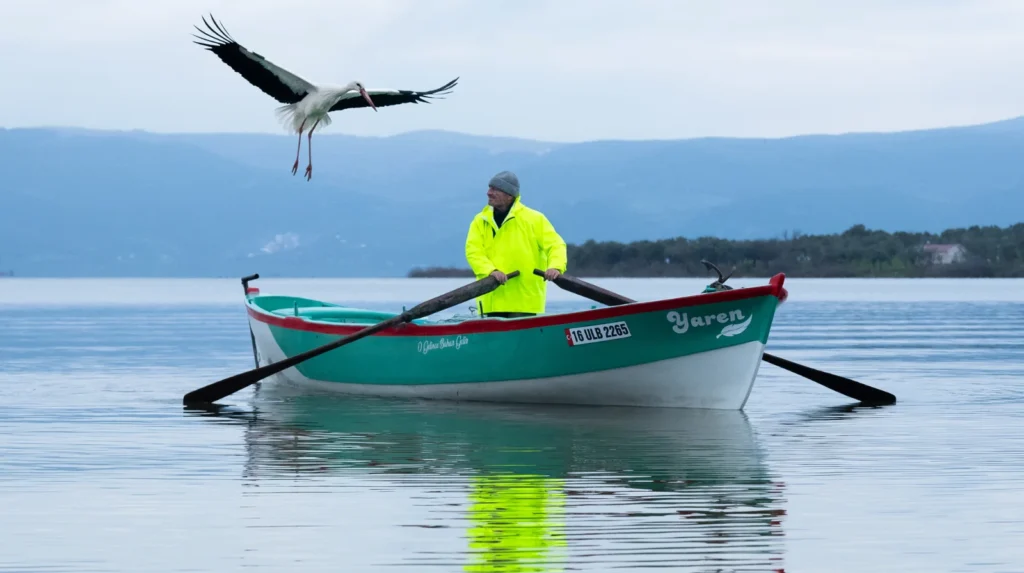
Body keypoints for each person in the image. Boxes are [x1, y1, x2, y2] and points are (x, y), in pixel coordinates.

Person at [465, 170, 567, 318]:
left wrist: (555, 266)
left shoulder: (535, 219)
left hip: (524, 302)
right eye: (489, 188)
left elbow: (556, 245)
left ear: (509, 195)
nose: (488, 193)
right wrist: (491, 271)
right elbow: (473, 251)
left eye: (495, 189)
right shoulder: (479, 221)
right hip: (490, 300)